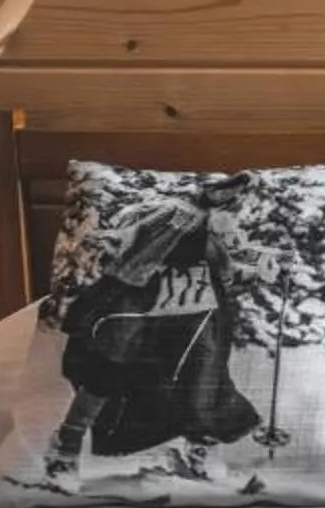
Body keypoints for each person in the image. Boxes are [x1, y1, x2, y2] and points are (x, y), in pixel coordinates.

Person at [42, 196, 259, 483]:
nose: (232, 219)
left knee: (202, 378)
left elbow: (227, 270)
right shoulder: (170, 222)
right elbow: (129, 262)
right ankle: (65, 448)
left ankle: (200, 447)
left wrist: (259, 268)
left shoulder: (210, 237)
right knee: (106, 374)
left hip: (189, 318)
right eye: (229, 211)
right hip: (136, 311)